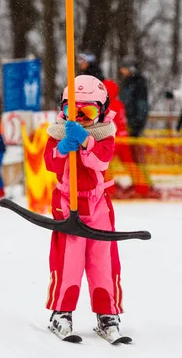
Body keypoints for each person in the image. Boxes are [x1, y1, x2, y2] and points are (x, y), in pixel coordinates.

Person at [44, 75, 125, 340]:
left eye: (87, 111)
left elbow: (101, 161)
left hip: (97, 202)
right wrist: (62, 149)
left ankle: (107, 313)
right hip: (68, 202)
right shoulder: (57, 132)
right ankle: (61, 312)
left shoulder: (104, 133)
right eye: (71, 110)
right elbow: (50, 163)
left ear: (101, 111)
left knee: (102, 260)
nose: (78, 118)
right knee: (70, 259)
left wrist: (85, 142)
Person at [117, 56, 159, 198]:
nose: (121, 71)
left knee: (137, 158)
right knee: (133, 158)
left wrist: (137, 123)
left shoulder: (138, 83)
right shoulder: (128, 82)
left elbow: (142, 105)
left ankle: (144, 184)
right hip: (128, 122)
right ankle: (138, 183)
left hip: (134, 124)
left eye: (124, 68)